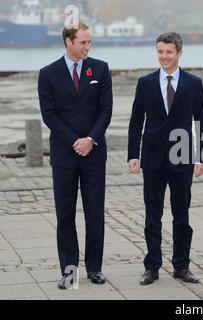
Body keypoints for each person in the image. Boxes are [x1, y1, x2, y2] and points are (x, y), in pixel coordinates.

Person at [128, 32, 203, 285]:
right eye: (160, 52)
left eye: (169, 52)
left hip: (182, 156)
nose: (164, 56)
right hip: (152, 158)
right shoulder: (145, 82)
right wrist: (133, 155)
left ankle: (181, 266)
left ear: (179, 53)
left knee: (181, 215)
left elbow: (201, 121)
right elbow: (135, 122)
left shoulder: (193, 83)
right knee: (152, 215)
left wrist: (202, 157)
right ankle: (152, 267)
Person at [38, 23, 113, 289]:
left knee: (95, 214)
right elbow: (49, 115)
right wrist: (75, 141)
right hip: (64, 155)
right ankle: (69, 272)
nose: (87, 47)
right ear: (68, 41)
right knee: (65, 215)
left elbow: (106, 111)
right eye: (83, 42)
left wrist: (90, 140)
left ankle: (95, 268)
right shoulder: (47, 74)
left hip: (94, 154)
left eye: (89, 42)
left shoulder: (100, 69)